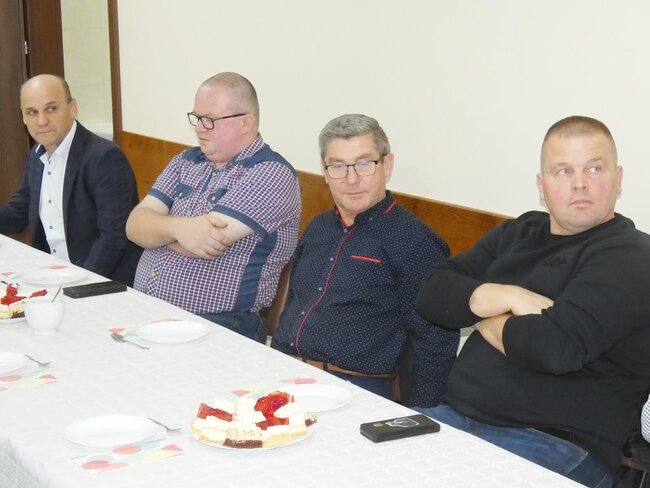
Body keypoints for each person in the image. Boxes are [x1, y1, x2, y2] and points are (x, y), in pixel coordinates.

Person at [415, 115, 650, 487]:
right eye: (563, 171)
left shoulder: (632, 256)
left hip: (556, 444)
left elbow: (554, 348)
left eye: (594, 168)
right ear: (542, 185)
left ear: (618, 179)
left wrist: (478, 313)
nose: (580, 183)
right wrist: (511, 297)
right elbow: (432, 292)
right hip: (455, 418)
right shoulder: (520, 231)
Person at [271, 114, 458, 405]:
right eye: (338, 166)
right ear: (324, 171)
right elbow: (297, 302)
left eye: (364, 164)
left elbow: (434, 340)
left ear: (387, 165)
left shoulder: (414, 241)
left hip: (353, 389)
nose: (352, 179)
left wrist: (424, 416)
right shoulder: (319, 227)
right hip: (282, 371)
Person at [126, 72, 300, 343]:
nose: (199, 128)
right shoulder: (186, 160)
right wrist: (179, 229)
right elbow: (134, 226)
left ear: (245, 122)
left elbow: (204, 240)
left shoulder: (270, 173)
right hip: (152, 311)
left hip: (221, 323)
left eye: (209, 120)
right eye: (197, 118)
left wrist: (157, 229)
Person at [0, 74, 141, 285]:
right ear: (23, 118)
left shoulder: (104, 157)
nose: (42, 121)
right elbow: (18, 211)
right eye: (32, 112)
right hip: (53, 274)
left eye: (51, 109)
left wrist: (78, 285)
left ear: (72, 108)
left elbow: (113, 238)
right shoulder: (37, 155)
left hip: (100, 281)